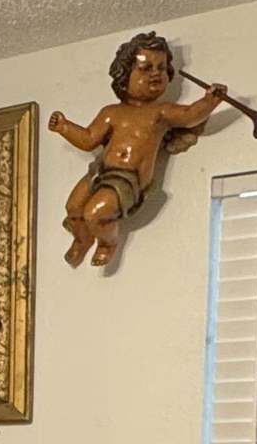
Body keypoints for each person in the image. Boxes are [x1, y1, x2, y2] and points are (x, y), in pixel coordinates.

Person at [49, 31, 234, 267]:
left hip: (128, 180)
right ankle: (82, 238)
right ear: (124, 75)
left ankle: (107, 243)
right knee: (74, 207)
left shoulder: (160, 112)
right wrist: (65, 127)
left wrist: (210, 101)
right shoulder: (111, 112)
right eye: (145, 68)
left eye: (161, 67)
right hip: (100, 171)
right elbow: (88, 139)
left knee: (95, 213)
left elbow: (189, 117)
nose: (156, 73)